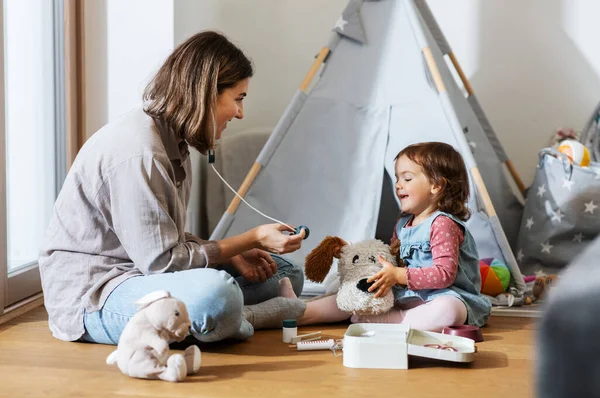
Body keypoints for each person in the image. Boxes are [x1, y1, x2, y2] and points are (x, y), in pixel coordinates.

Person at [38, 31, 308, 345]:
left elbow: (165, 241)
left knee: (285, 274)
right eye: (237, 99)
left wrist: (233, 254)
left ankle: (226, 319)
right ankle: (243, 318)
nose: (240, 113)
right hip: (97, 296)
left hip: (142, 275)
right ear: (207, 93)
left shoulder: (176, 145)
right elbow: (162, 264)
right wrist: (249, 238)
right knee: (217, 296)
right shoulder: (141, 153)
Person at [289, 142, 492, 331]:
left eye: (407, 178)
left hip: (447, 296)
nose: (398, 185)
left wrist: (398, 275)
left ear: (436, 185)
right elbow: (391, 259)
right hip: (407, 294)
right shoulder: (404, 223)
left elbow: (444, 274)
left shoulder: (443, 224)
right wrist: (351, 253)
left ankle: (392, 321)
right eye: (397, 178)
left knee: (449, 310)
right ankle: (299, 312)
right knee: (356, 291)